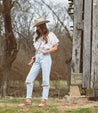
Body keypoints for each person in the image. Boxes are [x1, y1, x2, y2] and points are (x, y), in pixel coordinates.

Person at [18, 17, 59, 107]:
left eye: (38, 26)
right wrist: (33, 58)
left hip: (46, 57)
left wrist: (47, 52)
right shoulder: (37, 37)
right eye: (36, 27)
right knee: (29, 79)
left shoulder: (50, 35)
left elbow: (55, 47)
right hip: (38, 57)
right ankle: (28, 101)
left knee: (45, 79)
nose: (37, 28)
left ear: (42, 26)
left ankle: (43, 101)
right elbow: (37, 49)